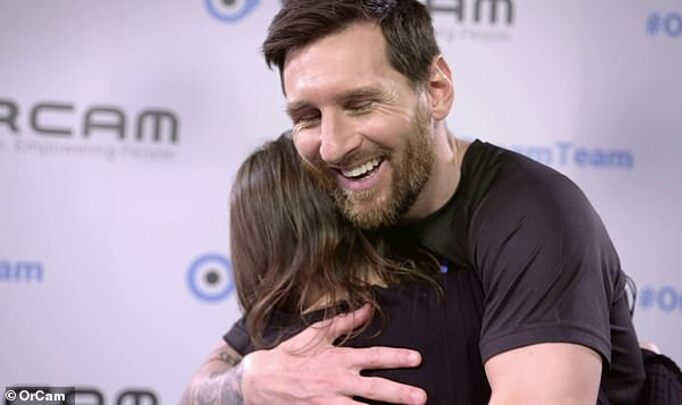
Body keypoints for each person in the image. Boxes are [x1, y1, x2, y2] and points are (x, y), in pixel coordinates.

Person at [184, 1, 646, 404]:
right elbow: (203, 383)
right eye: (308, 116)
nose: (332, 146)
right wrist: (248, 381)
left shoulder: (532, 215)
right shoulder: (344, 195)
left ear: (436, 91)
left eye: (360, 104)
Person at [182, 133, 496, 404]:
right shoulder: (473, 296)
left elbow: (197, 391)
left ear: (256, 241)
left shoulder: (266, 337)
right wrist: (248, 379)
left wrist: (246, 381)